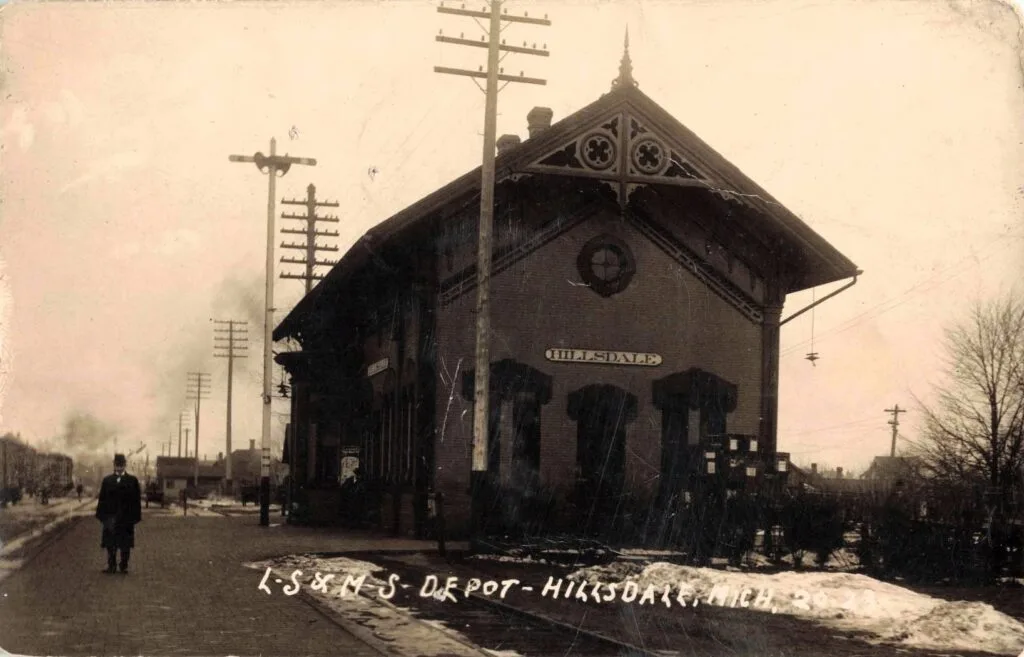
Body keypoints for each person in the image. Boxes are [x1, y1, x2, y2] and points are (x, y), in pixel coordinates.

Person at [95, 454, 142, 574]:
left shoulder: (132, 481)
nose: (119, 468)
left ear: (125, 465)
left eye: (121, 465)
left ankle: (124, 565)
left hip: (126, 518)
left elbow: (136, 501)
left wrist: (135, 517)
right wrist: (102, 516)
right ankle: (111, 566)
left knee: (125, 544)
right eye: (117, 465)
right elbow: (102, 499)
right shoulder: (107, 481)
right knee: (110, 544)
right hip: (111, 518)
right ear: (114, 465)